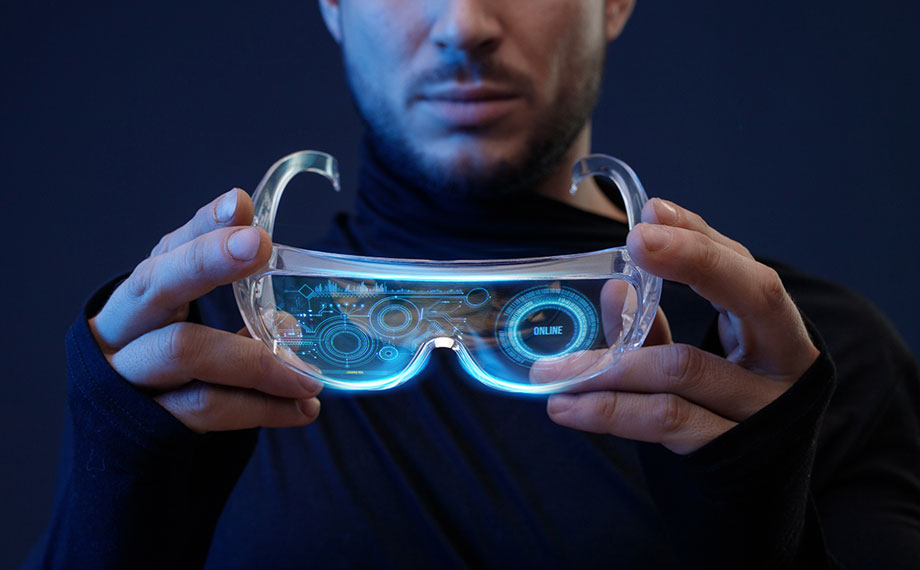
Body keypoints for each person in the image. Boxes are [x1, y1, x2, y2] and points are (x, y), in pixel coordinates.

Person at [23, 0, 920, 568]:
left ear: (615, 1)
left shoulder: (790, 366)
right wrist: (115, 492)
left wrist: (764, 533)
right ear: (332, 5)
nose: (464, 25)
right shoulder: (195, 355)